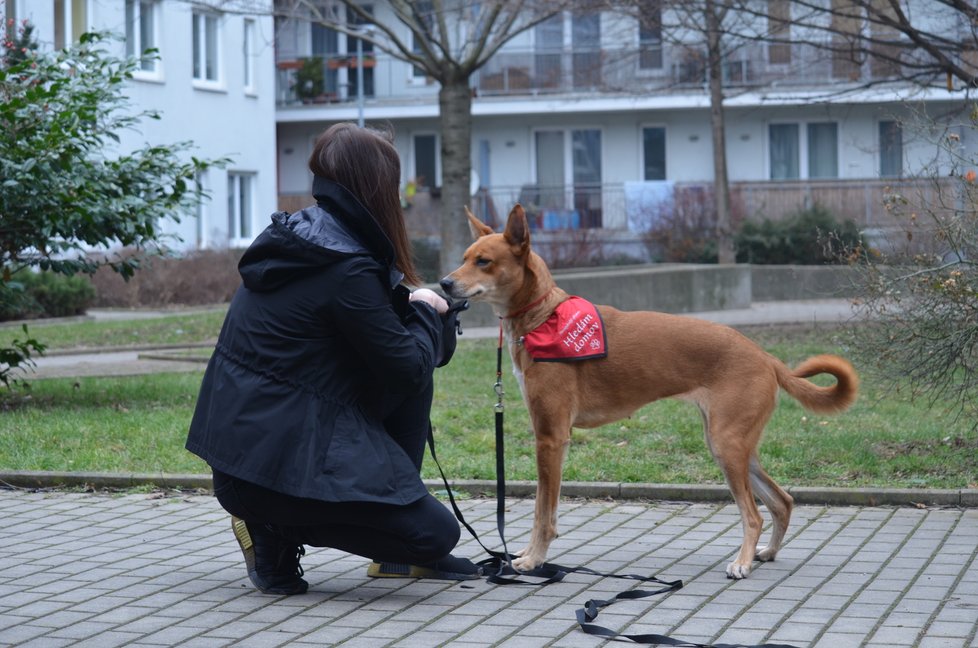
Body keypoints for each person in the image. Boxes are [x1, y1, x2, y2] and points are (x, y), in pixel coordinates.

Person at [186, 122, 479, 595]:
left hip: (257, 449)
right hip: (261, 476)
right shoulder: (344, 265)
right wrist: (425, 310)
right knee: (434, 535)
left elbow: (408, 366)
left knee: (410, 382)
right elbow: (407, 363)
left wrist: (424, 318)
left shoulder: (310, 241)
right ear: (376, 186)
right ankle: (268, 529)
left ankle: (384, 539)